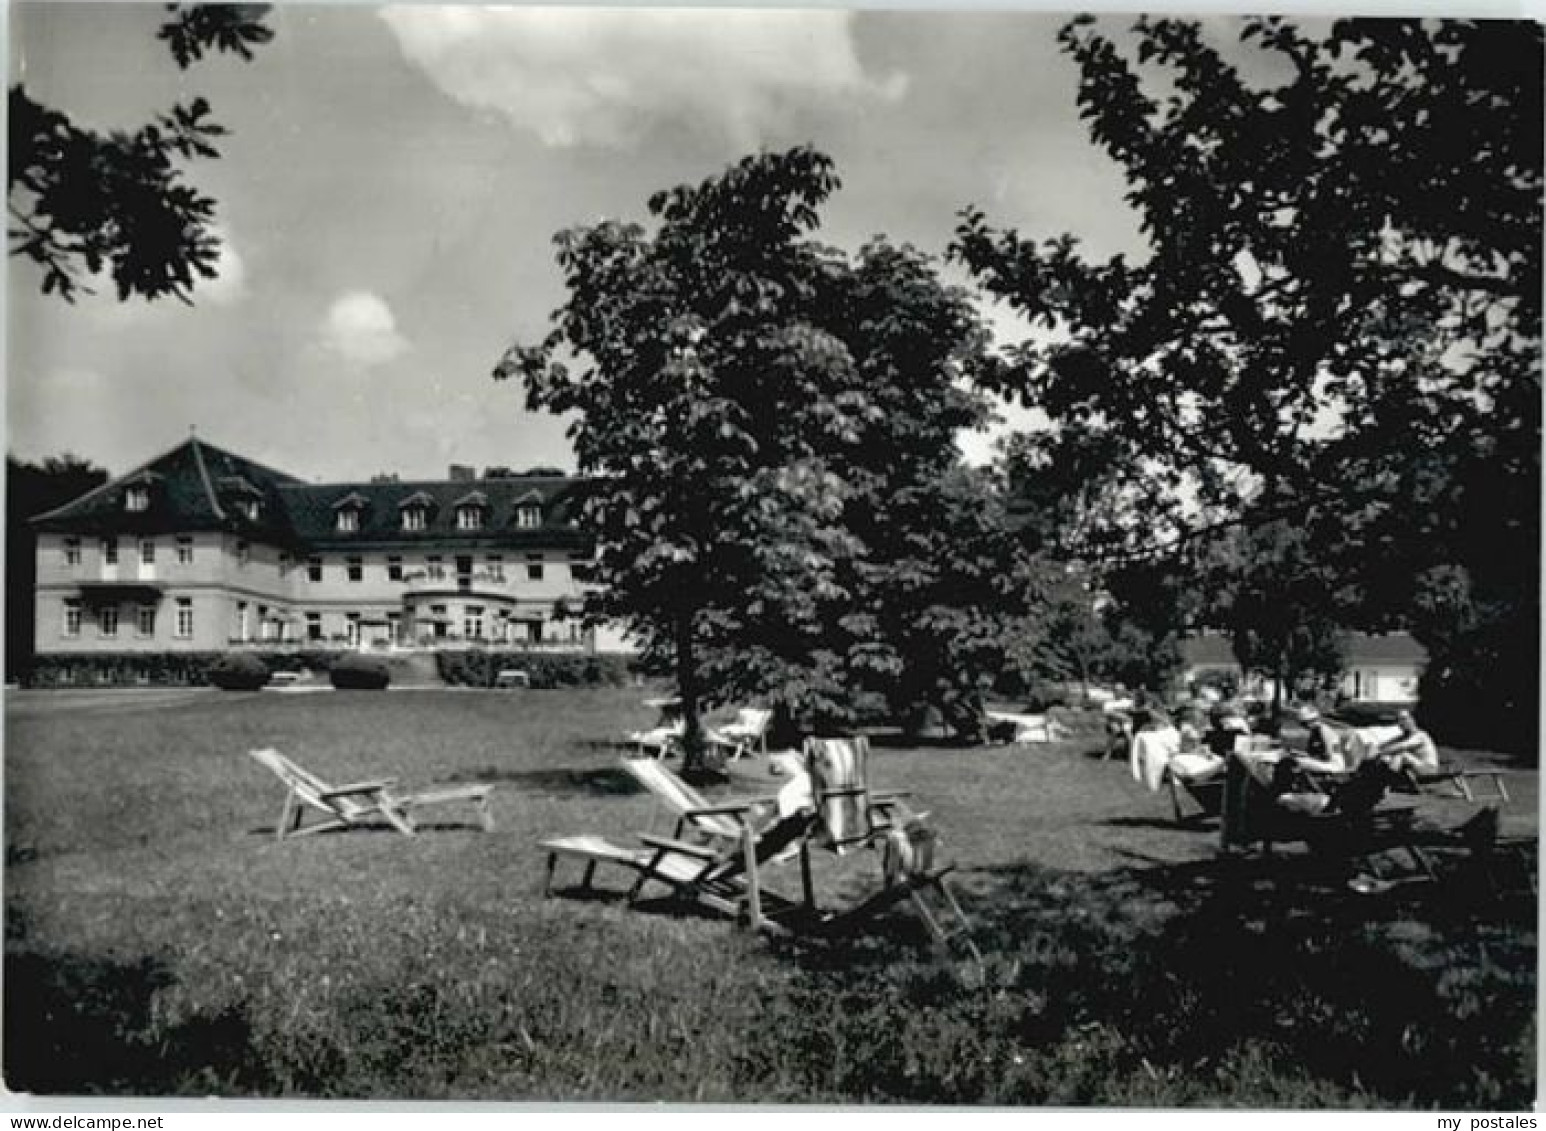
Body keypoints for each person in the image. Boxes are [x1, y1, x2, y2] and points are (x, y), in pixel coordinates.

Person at [1373, 709, 1440, 776]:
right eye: (1398, 720)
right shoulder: (1404, 736)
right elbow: (1387, 744)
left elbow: (1401, 746)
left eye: (1404, 719)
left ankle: (1388, 779)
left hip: (1429, 768)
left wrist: (1380, 752)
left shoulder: (1420, 735)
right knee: (1386, 758)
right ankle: (1379, 778)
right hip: (1418, 766)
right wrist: (1375, 748)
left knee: (1402, 754)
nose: (1401, 723)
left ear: (1412, 720)